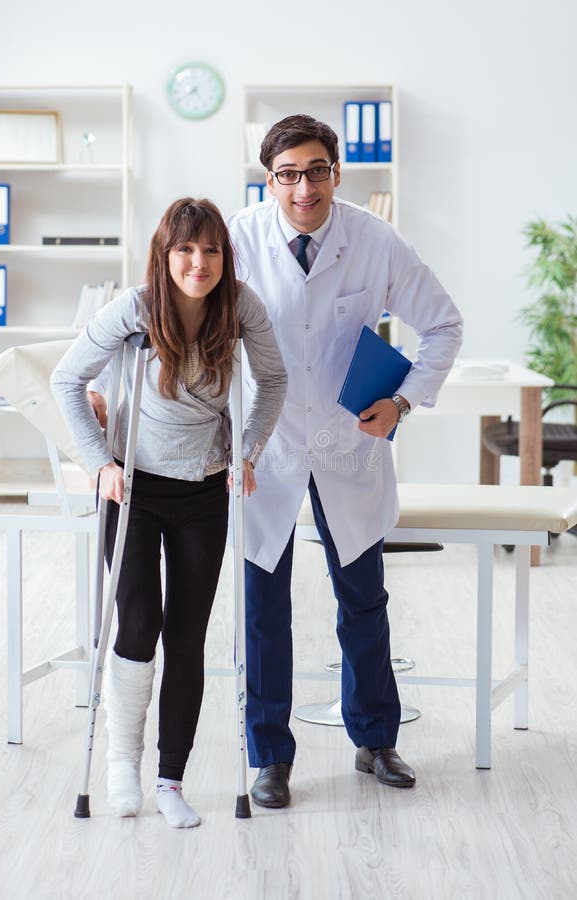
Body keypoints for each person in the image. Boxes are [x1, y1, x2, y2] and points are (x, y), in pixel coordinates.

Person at [227, 115, 463, 808]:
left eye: (317, 170)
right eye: (288, 174)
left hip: (344, 441)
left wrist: (404, 402)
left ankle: (375, 740)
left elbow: (443, 324)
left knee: (362, 599)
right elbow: (187, 321)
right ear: (268, 179)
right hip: (264, 445)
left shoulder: (373, 239)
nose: (304, 187)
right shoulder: (239, 239)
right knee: (262, 608)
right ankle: (269, 756)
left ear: (337, 170)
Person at [51, 197, 287, 827]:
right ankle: (121, 767)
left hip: (205, 488)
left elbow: (274, 380)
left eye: (211, 250)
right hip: (133, 488)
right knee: (138, 625)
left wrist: (249, 449)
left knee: (187, 637)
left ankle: (170, 779)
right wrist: (100, 460)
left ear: (224, 256)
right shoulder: (134, 306)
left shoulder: (240, 308)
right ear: (165, 254)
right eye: (185, 249)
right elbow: (65, 380)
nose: (198, 262)